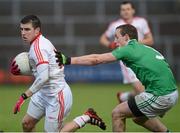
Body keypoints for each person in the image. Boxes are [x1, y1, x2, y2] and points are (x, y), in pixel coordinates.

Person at [55, 24, 178, 132]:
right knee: (138, 118)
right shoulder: (145, 48)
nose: (115, 41)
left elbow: (97, 59)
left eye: (117, 37)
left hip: (160, 95)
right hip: (171, 92)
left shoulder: (128, 49)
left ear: (126, 37)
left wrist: (69, 60)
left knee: (117, 113)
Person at [10, 15, 106, 132]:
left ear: (37, 31)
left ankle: (86, 117)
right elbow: (44, 71)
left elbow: (44, 77)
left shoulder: (38, 47)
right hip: (42, 93)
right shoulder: (37, 43)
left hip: (56, 96)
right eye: (21, 29)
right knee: (27, 123)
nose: (23, 33)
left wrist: (24, 96)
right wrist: (29, 70)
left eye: (27, 29)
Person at [100, 1, 154, 103]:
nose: (126, 12)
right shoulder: (115, 25)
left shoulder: (141, 22)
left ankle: (124, 97)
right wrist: (110, 44)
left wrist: (132, 43)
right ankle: (147, 113)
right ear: (120, 12)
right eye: (123, 10)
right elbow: (102, 38)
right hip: (127, 59)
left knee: (144, 89)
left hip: (142, 57)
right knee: (142, 91)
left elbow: (150, 40)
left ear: (133, 10)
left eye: (128, 9)